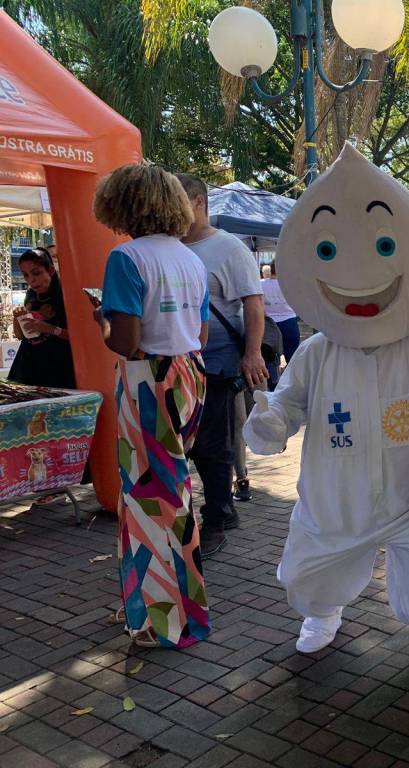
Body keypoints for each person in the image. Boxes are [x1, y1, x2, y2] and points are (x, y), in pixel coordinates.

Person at [243, 145, 409, 684]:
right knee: (308, 572)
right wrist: (270, 422)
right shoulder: (316, 352)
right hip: (336, 497)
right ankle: (323, 613)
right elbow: (287, 404)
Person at [91, 163, 211, 648]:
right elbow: (201, 333)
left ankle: (171, 621)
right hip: (189, 376)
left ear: (123, 205)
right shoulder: (191, 259)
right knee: (167, 494)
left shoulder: (126, 258)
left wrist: (102, 318)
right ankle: (149, 600)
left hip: (149, 382)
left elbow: (124, 342)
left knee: (153, 500)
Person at [176, 173, 268, 558]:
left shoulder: (228, 247)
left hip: (216, 361)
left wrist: (252, 352)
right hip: (177, 362)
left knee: (212, 442)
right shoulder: (170, 246)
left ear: (198, 202)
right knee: (182, 442)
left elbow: (253, 302)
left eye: (177, 201)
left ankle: (218, 516)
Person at [8, 247, 76, 389]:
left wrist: (50, 328)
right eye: (26, 275)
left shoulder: (67, 294)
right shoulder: (31, 295)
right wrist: (18, 319)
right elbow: (21, 336)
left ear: (50, 270)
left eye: (36, 273)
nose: (31, 280)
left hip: (58, 372)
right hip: (26, 370)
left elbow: (81, 338)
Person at [262, 259, 300, 364]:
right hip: (289, 321)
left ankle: (274, 372)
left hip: (269, 323)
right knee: (292, 357)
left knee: (269, 356)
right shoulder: (290, 284)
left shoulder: (260, 284)